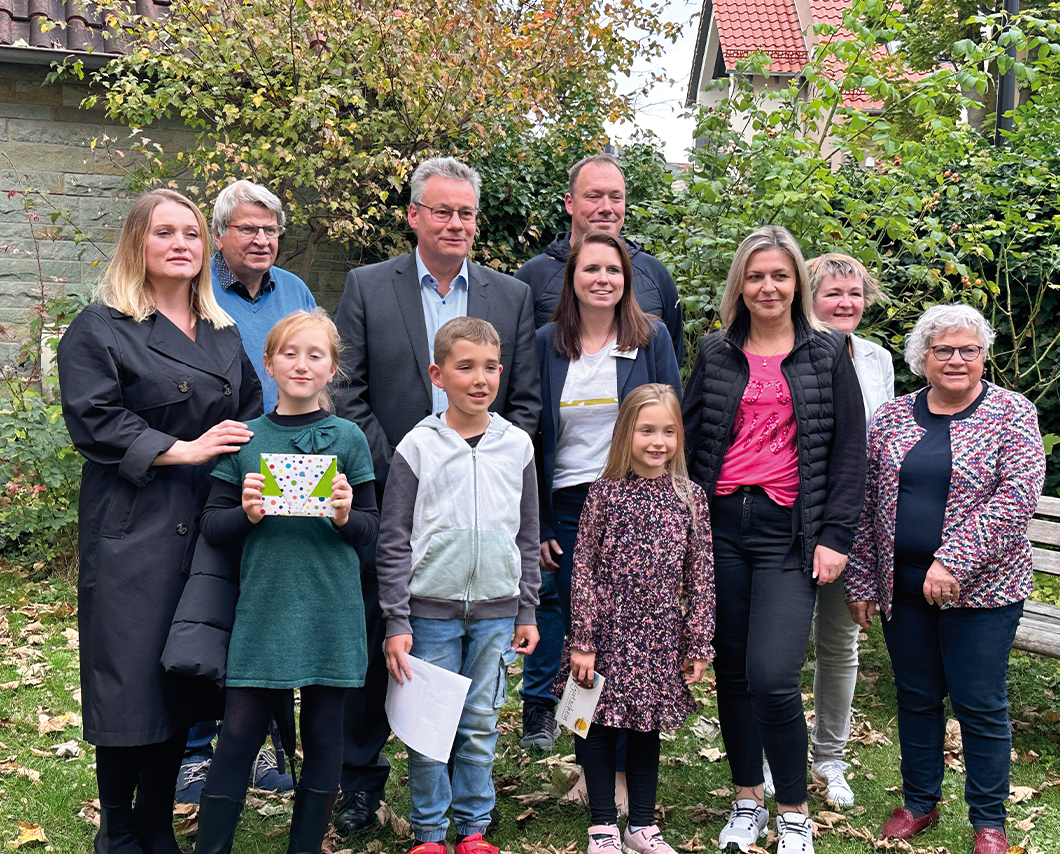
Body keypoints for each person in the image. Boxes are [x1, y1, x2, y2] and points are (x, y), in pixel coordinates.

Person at [332, 156, 541, 838]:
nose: (456, 223)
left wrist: (487, 469)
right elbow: (349, 390)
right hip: (395, 490)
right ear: (415, 215)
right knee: (384, 644)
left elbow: (527, 404)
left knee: (472, 678)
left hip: (480, 513)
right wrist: (402, 468)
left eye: (466, 213)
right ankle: (362, 784)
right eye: (443, 211)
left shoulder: (509, 298)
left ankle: (468, 807)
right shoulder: (368, 286)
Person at [56, 189, 262, 854]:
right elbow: (94, 419)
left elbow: (255, 415)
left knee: (181, 677)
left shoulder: (224, 333)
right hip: (134, 527)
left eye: (192, 234)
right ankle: (117, 826)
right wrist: (186, 449)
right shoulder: (101, 326)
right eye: (165, 232)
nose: (181, 244)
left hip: (209, 527)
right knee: (128, 685)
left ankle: (154, 821)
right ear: (137, 244)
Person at [681, 226, 866, 854]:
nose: (768, 287)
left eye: (779, 276)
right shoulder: (714, 353)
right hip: (723, 527)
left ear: (797, 284)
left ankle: (793, 809)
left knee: (772, 675)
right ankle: (746, 800)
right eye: (756, 276)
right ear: (741, 283)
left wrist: (836, 534)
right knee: (732, 673)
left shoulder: (827, 354)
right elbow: (686, 438)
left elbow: (849, 454)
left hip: (791, 534)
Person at [845, 304, 1045, 854]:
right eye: (944, 351)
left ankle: (988, 820)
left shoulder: (1012, 412)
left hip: (984, 590)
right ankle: (919, 801)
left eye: (969, 350)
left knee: (979, 702)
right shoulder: (890, 416)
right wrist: (862, 578)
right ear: (922, 359)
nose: (957, 360)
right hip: (902, 587)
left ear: (983, 356)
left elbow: (1016, 499)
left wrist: (952, 561)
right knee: (915, 697)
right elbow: (870, 505)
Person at [191, 309, 378, 854]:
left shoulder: (349, 439)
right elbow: (212, 525)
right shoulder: (246, 438)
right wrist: (246, 512)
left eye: (315, 354)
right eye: (289, 353)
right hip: (266, 607)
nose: (302, 364)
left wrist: (345, 515)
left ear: (332, 369)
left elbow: (368, 531)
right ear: (268, 363)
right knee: (239, 735)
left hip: (331, 609)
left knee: (325, 737)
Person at [525, 230, 682, 806]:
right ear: (572, 278)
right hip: (568, 507)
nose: (602, 279)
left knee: (631, 641)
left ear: (626, 280)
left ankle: (619, 776)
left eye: (612, 270)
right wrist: (539, 522)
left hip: (635, 504)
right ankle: (588, 768)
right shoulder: (546, 342)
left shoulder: (651, 338)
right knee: (581, 641)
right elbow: (531, 435)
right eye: (590, 269)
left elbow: (670, 416)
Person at [377, 317, 541, 854]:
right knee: (430, 726)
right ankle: (428, 831)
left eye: (490, 367)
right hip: (429, 614)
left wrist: (527, 610)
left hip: (498, 612)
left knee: (478, 723)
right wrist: (397, 621)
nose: (480, 379)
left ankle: (473, 828)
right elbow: (395, 539)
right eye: (465, 367)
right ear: (437, 375)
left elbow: (528, 533)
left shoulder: (516, 446)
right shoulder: (417, 446)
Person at [177, 178, 317, 804]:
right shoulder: (195, 288)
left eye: (270, 230)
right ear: (221, 236)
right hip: (214, 469)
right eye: (248, 229)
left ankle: (262, 744)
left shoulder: (294, 291)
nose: (262, 240)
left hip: (285, 475)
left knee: (267, 611)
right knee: (210, 610)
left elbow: (315, 358)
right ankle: (194, 753)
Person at [555, 384, 714, 854]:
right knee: (597, 726)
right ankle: (603, 825)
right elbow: (582, 566)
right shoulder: (605, 494)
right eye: (646, 430)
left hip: (659, 635)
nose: (657, 441)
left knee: (646, 731)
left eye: (668, 431)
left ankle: (642, 826)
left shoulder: (690, 498)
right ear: (627, 432)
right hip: (605, 633)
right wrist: (583, 638)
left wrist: (698, 643)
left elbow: (701, 574)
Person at [766, 253, 892, 807]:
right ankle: (776, 759)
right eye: (833, 293)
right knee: (781, 650)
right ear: (808, 299)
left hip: (857, 524)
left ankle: (830, 758)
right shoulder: (787, 350)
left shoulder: (877, 358)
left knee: (840, 645)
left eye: (854, 293)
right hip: (795, 521)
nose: (846, 304)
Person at [514, 153, 683, 367]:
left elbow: (672, 360)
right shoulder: (534, 277)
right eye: (593, 196)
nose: (606, 208)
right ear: (569, 203)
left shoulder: (655, 274)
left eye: (616, 197)